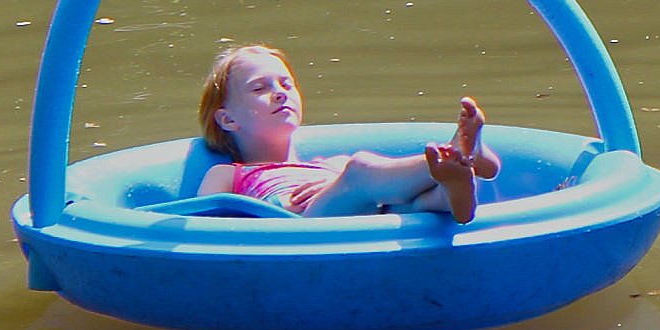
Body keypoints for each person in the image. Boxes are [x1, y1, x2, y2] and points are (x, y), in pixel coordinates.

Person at [196, 44, 500, 223]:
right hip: (296, 230)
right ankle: (457, 154)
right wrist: (272, 209)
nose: (279, 93)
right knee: (360, 167)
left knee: (415, 205)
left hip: (360, 221)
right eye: (259, 88)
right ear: (228, 119)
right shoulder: (229, 174)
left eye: (286, 84)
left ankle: (453, 189)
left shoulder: (331, 166)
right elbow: (202, 227)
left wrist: (334, 184)